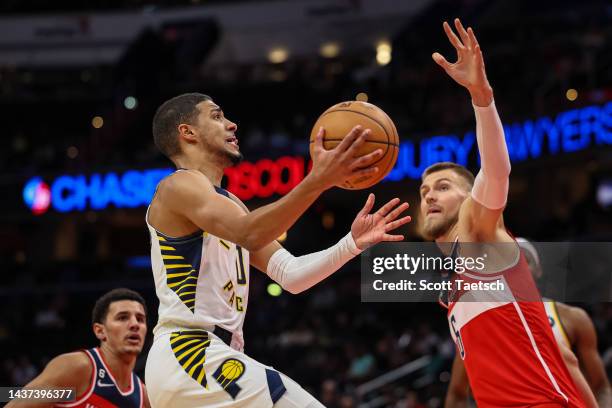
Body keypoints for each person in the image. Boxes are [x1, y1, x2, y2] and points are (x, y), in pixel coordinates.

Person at [145, 92, 411, 407]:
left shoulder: (230, 205)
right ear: (187, 132)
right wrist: (317, 180)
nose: (232, 124)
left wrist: (351, 245)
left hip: (212, 358)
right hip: (190, 353)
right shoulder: (178, 186)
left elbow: (290, 274)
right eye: (216, 116)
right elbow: (251, 233)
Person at [418, 18, 586, 406]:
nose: (429, 196)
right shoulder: (451, 281)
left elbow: (496, 170)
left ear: (470, 198)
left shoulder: (479, 235)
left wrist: (481, 96)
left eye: (443, 187)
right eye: (424, 190)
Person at [445, 239, 610, 407]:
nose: (515, 269)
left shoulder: (572, 317)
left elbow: (601, 386)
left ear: (537, 270)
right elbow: (457, 393)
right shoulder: (480, 325)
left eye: (524, 261)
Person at [7, 288, 149, 408]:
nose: (134, 324)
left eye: (140, 319)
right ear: (100, 331)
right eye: (123, 317)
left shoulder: (143, 396)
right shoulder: (78, 368)